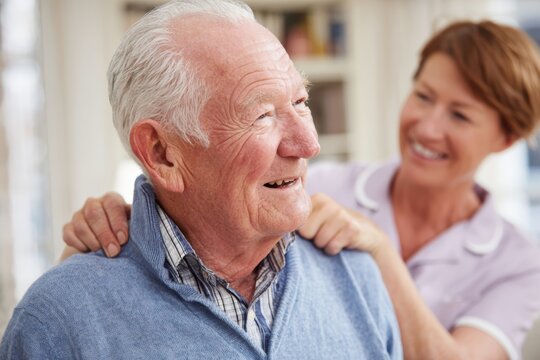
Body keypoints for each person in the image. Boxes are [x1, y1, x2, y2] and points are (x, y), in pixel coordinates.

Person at [63, 19, 540, 360]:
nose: (427, 127)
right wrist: (119, 220)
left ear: (506, 139)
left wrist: (380, 254)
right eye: (423, 96)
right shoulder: (310, 186)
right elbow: (199, 202)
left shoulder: (518, 261)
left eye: (459, 115)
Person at [0, 1, 403, 359]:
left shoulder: (355, 275)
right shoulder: (56, 322)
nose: (308, 144)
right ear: (162, 153)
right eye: (262, 115)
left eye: (301, 102)